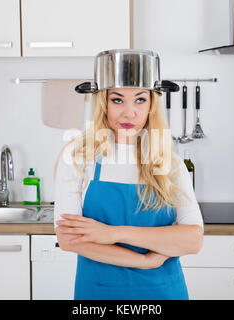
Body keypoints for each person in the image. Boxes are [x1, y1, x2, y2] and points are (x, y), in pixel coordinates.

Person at [53, 49, 204, 300]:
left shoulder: (171, 164)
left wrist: (112, 233)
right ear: (102, 102)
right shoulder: (78, 159)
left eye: (140, 99)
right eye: (117, 99)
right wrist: (145, 261)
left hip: (164, 292)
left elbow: (192, 240)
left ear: (152, 104)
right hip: (100, 294)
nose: (129, 113)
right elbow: (70, 240)